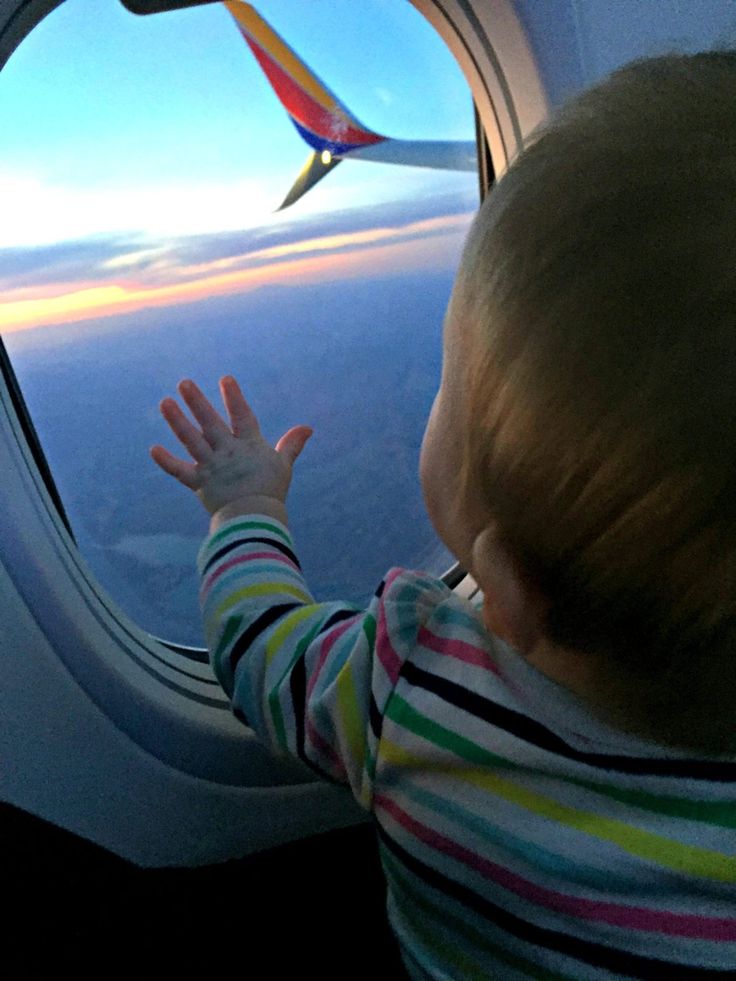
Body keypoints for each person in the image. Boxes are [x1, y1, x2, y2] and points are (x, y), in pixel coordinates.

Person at [150, 51, 736, 979]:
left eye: (446, 381)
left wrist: (244, 508)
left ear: (503, 584)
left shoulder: (412, 682)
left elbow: (261, 645)